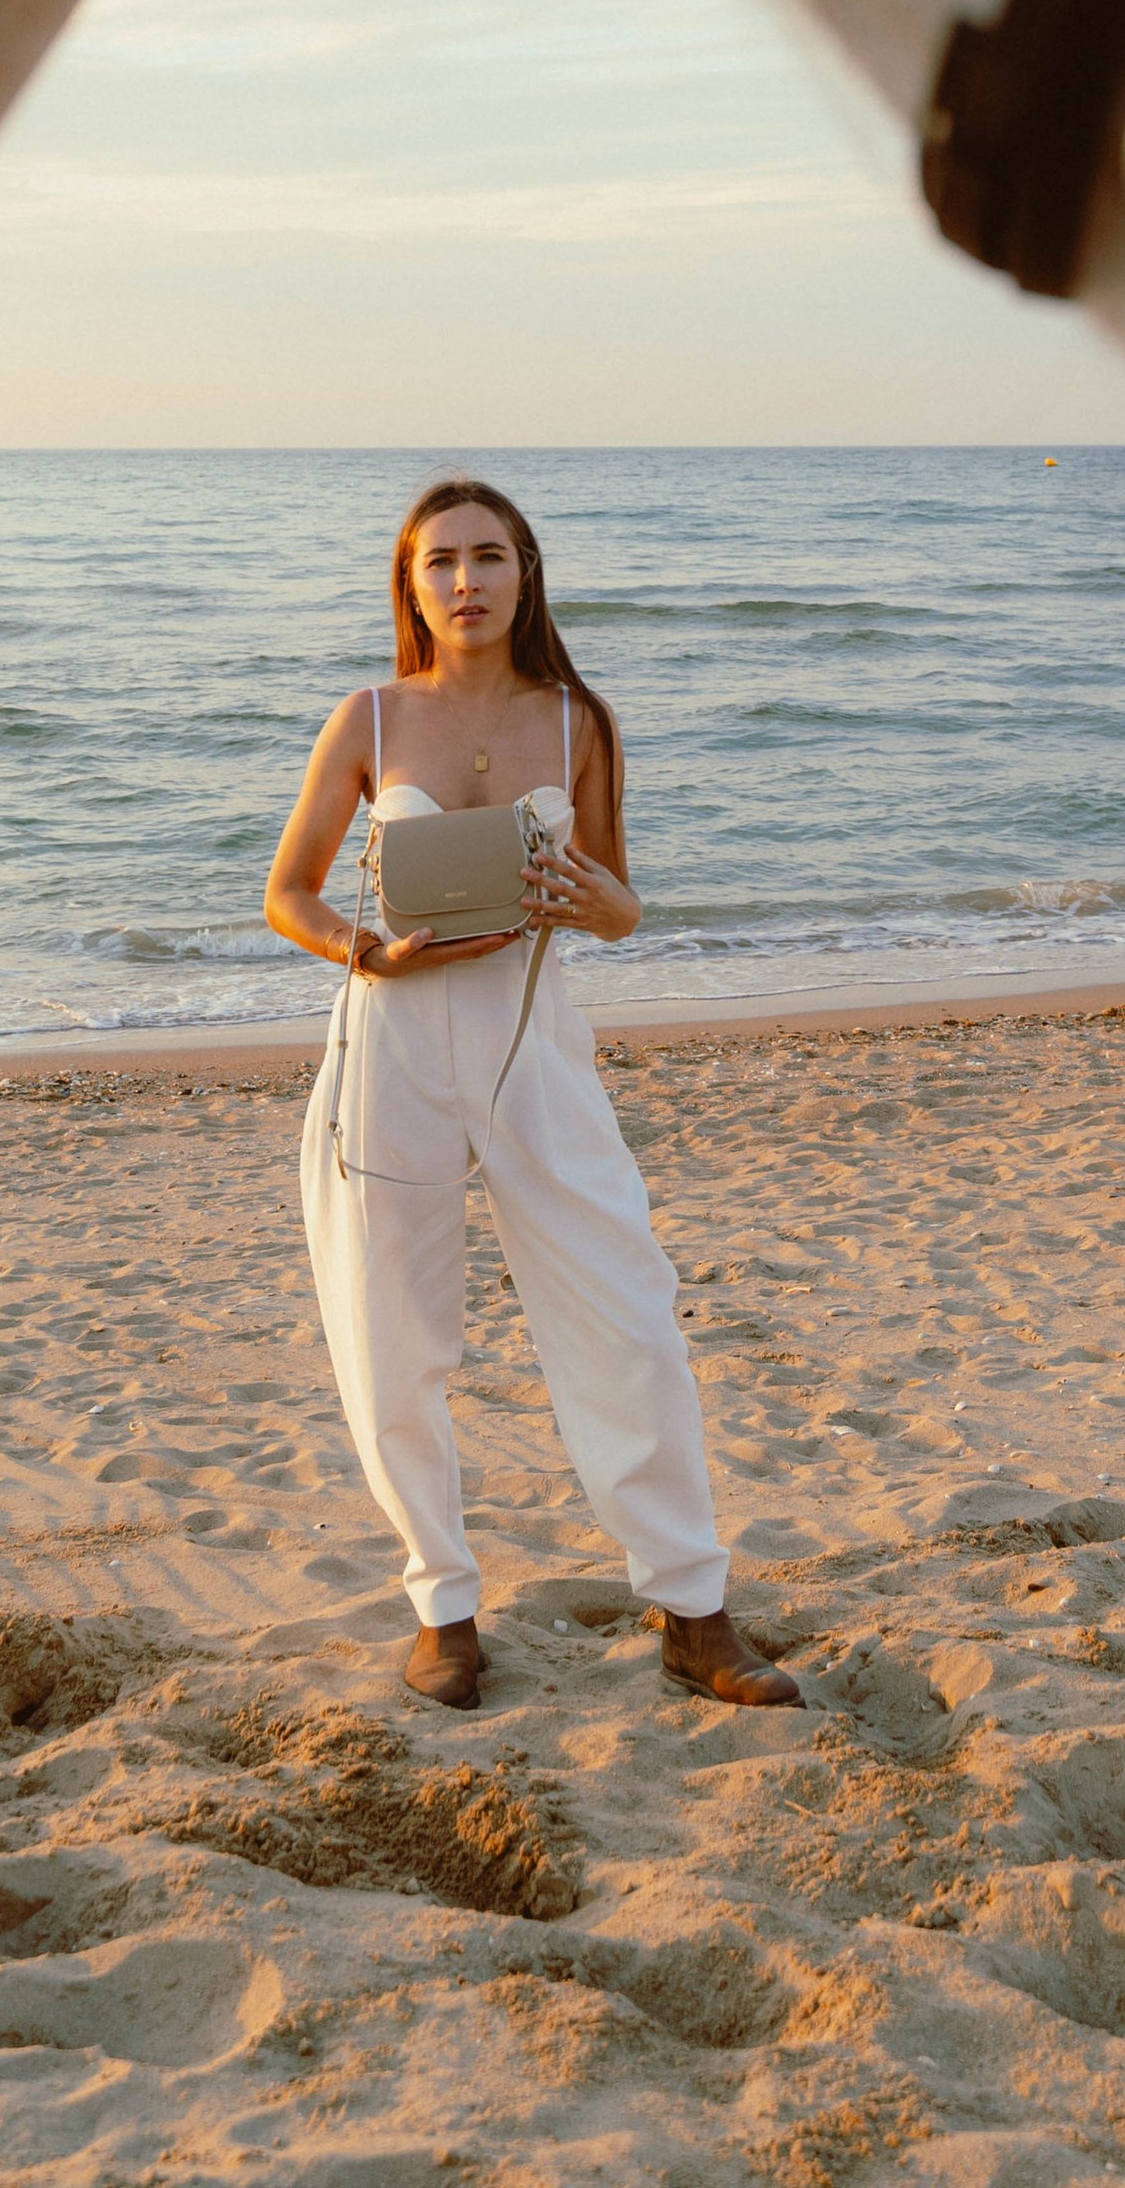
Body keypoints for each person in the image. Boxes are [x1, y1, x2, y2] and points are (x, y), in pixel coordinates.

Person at [265, 474, 798, 1714]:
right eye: (441, 560)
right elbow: (286, 892)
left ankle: (693, 1609)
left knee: (626, 1312)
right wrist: (365, 947)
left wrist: (596, 900)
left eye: (489, 556)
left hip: (533, 1041)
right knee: (390, 1331)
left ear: (525, 573)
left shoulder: (578, 722)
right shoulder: (369, 721)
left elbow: (618, 903)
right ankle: (441, 1609)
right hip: (388, 1041)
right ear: (410, 583)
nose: (466, 580)